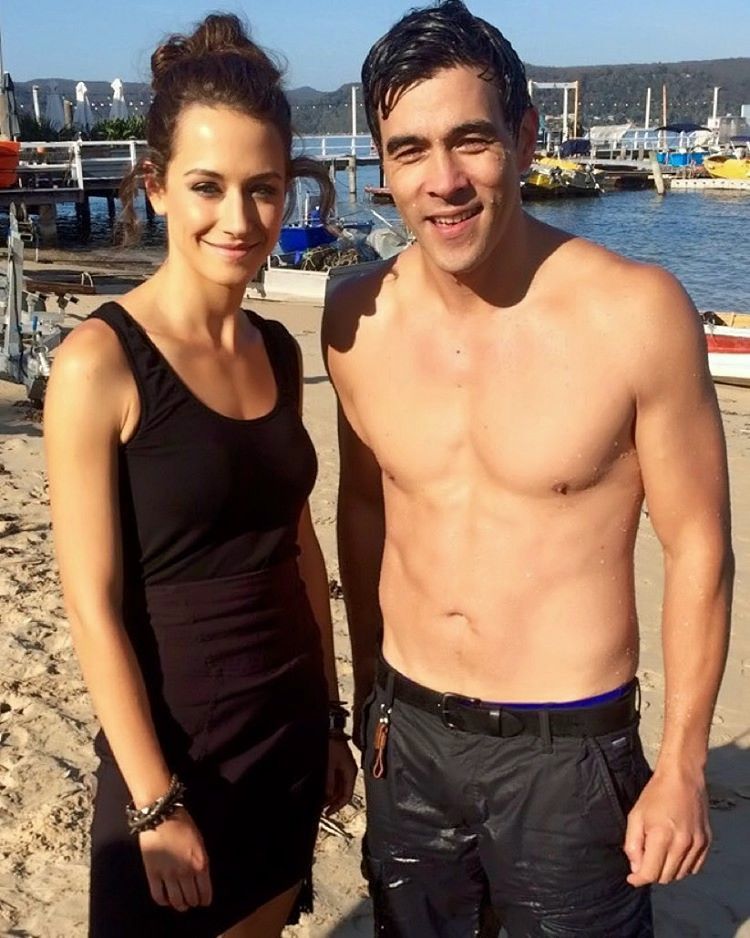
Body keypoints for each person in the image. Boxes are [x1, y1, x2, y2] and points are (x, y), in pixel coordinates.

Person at [322, 2, 733, 935]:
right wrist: (364, 699)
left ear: (526, 137)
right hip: (407, 733)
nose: (443, 180)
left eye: (471, 140)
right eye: (410, 150)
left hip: (567, 750)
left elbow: (700, 545)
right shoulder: (354, 319)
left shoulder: (635, 314)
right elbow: (366, 511)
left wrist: (682, 764)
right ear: (381, 165)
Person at [44, 14, 356, 938]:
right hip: (176, 756)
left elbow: (297, 545)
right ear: (157, 186)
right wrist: (152, 802)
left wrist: (329, 719)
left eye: (263, 189)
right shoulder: (101, 363)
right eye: (208, 186)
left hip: (287, 733)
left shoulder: (276, 349)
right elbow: (90, 603)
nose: (239, 219)